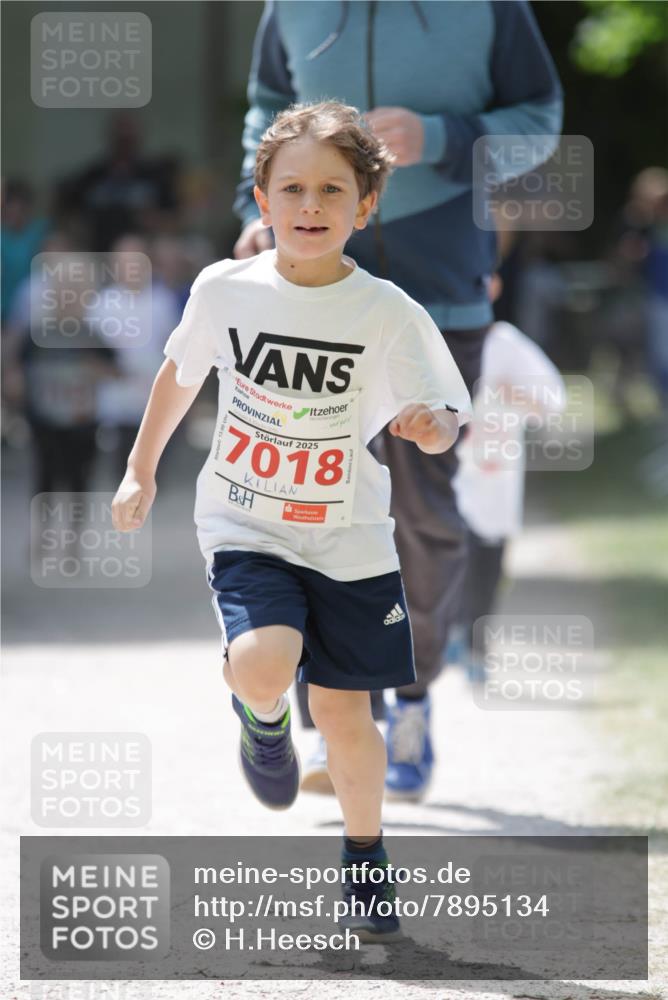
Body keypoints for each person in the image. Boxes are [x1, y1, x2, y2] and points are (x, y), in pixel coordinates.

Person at [111, 101, 471, 941]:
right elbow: (178, 376)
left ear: (365, 206)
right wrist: (139, 471)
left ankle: (365, 855)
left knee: (348, 716)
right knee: (263, 663)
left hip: (349, 537)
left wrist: (432, 426)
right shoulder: (224, 289)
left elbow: (445, 404)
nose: (312, 206)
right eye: (293, 189)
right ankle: (262, 721)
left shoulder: (386, 310)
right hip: (246, 523)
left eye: (333, 191)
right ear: (263, 201)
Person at [233, 0, 563, 800]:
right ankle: (333, 719)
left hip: (444, 303)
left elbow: (542, 120)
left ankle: (411, 703)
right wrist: (257, 212)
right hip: (312, 298)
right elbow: (265, 121)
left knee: (418, 515)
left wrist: (445, 137)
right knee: (308, 504)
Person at [451, 277, 567, 682]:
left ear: (495, 288)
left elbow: (554, 399)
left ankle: (476, 649)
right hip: (447, 477)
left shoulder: (506, 343)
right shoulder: (433, 337)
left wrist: (516, 397)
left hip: (495, 475)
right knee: (445, 556)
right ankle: (446, 635)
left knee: (487, 565)